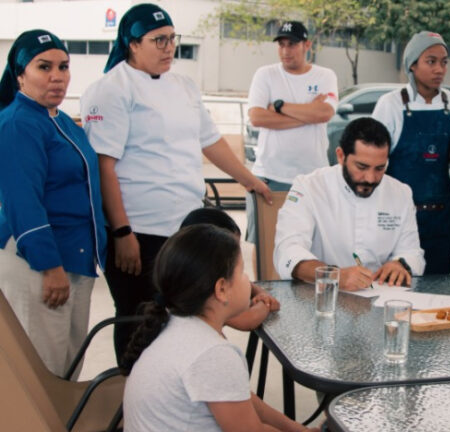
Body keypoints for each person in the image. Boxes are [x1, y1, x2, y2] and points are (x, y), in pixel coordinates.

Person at [80, 3, 272, 361]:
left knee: (186, 323)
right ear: (132, 44)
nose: (169, 47)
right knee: (139, 322)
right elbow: (104, 167)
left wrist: (252, 182)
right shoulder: (112, 89)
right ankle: (132, 392)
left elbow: (211, 142)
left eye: (172, 39)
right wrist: (122, 233)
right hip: (140, 232)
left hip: (184, 230)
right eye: (158, 40)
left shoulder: (184, 86)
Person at [121, 225, 314, 431]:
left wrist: (296, 428)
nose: (248, 280)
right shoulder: (212, 354)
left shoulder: (176, 323)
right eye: (242, 272)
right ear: (221, 289)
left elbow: (241, 398)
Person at [0, 30, 107, 377]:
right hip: (39, 263)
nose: (57, 76)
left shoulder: (61, 122)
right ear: (20, 74)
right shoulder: (17, 124)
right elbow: (23, 202)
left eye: (63, 66)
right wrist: (50, 266)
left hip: (75, 258)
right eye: (44, 67)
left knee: (68, 366)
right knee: (44, 373)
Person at [274, 117, 425, 290]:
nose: (370, 178)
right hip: (321, 294)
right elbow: (288, 250)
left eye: (380, 168)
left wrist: (400, 264)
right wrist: (333, 275)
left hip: (382, 295)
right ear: (341, 156)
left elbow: (412, 252)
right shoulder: (309, 187)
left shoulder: (401, 193)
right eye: (361, 167)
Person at [245, 20, 338, 276]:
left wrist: (279, 106)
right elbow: (257, 117)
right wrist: (307, 114)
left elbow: (324, 113)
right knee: (264, 248)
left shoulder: (325, 76)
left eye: (292, 44)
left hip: (312, 178)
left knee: (311, 248)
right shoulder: (265, 74)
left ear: (307, 45)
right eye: (282, 45)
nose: (286, 51)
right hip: (270, 177)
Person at [372, 31, 450, 274]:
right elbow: (375, 159)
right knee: (396, 280)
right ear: (412, 64)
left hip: (441, 215)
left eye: (444, 62)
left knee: (438, 284)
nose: (439, 69)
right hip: (399, 215)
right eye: (431, 61)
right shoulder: (391, 104)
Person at [180, 208, 279, 331]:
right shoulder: (207, 298)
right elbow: (249, 320)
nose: (238, 254)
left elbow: (250, 286)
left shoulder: (190, 278)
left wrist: (262, 295)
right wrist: (265, 304)